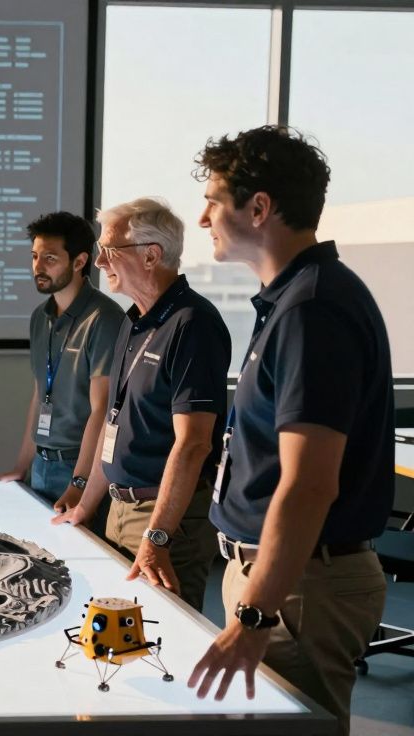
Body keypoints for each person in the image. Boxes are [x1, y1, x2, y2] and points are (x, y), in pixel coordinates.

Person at [187, 126, 391, 735]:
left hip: (300, 590)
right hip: (280, 582)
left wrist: (254, 618)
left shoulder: (312, 311)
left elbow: (308, 485)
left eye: (213, 202)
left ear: (259, 207)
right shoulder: (292, 300)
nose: (203, 219)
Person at [52, 197, 230, 612]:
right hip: (119, 509)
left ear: (152, 255)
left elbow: (193, 445)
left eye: (110, 250)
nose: (98, 262)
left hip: (163, 521)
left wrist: (158, 536)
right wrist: (85, 507)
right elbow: (115, 426)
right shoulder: (134, 319)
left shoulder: (193, 323)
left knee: (162, 643)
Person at [0, 211, 124, 517]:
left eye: (50, 258)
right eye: (35, 256)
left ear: (79, 262)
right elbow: (40, 395)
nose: (38, 267)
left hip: (80, 467)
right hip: (41, 464)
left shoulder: (104, 319)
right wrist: (21, 467)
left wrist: (79, 482)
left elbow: (102, 410)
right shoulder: (40, 317)